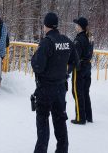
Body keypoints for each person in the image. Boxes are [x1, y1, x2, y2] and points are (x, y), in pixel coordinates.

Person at [31, 12, 79, 153]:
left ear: (46, 26)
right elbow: (75, 61)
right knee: (60, 122)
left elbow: (38, 66)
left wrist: (34, 59)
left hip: (45, 89)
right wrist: (65, 73)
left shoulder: (47, 42)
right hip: (60, 89)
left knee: (43, 123)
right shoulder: (66, 41)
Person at [71, 17, 94, 125]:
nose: (75, 26)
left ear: (80, 27)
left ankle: (80, 117)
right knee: (85, 92)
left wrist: (68, 69)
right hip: (87, 67)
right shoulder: (89, 37)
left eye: (76, 25)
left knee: (77, 92)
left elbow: (75, 57)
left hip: (79, 68)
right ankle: (88, 116)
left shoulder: (79, 40)